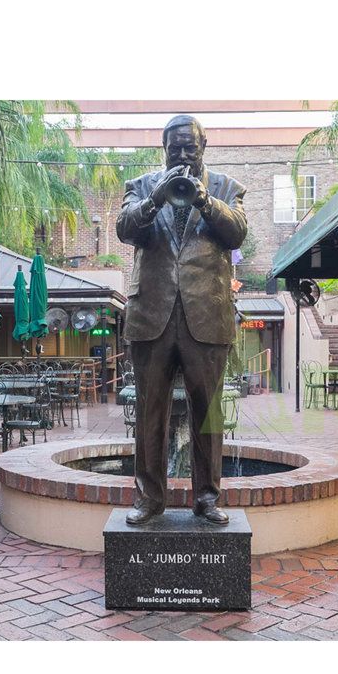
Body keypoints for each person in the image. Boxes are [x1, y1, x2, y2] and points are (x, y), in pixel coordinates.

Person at [116, 115, 247, 524]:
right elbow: (124, 228)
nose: (184, 153)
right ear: (164, 148)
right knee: (149, 411)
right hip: (151, 316)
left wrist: (205, 199)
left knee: (207, 412)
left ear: (204, 145)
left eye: (191, 146)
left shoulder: (227, 187)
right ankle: (148, 499)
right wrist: (155, 197)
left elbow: (237, 233)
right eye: (176, 147)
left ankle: (207, 497)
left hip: (206, 315)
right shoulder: (139, 187)